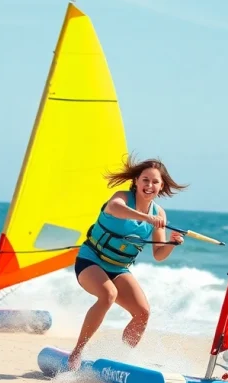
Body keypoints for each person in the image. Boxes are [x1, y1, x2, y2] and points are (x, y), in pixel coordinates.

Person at [66, 154, 188, 370]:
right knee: (108, 295)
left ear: (161, 186)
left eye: (155, 182)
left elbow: (158, 254)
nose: (149, 185)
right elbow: (114, 209)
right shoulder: (121, 198)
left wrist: (171, 243)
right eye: (145, 180)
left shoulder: (159, 213)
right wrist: (147, 219)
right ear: (136, 181)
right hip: (91, 260)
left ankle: (121, 360)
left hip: (118, 268)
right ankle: (76, 353)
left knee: (143, 313)